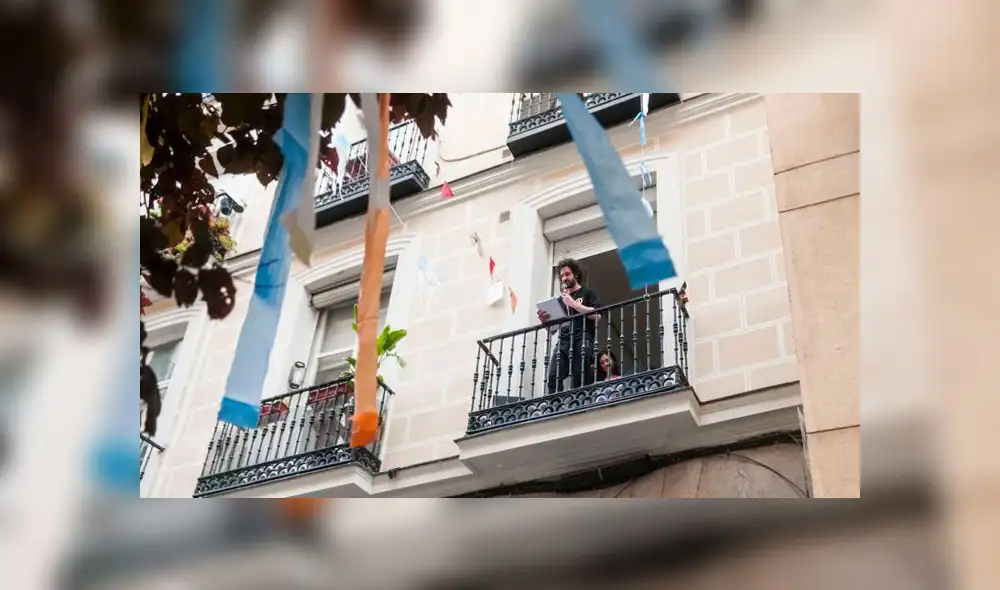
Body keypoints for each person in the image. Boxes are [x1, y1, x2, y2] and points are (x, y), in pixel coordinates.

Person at [537, 258, 601, 394]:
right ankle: (555, 408)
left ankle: (581, 405)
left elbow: (597, 316)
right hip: (564, 340)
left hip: (583, 337)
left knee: (580, 375)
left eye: (567, 274)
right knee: (553, 375)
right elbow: (552, 331)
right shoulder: (560, 300)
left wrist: (573, 303)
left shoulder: (588, 292)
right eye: (561, 276)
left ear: (575, 274)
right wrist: (545, 321)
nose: (564, 278)